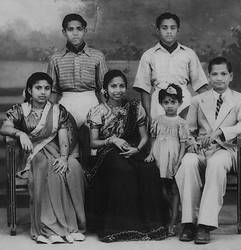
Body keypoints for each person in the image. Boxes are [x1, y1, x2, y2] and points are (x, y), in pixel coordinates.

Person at [0, 72, 86, 244]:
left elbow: (63, 136)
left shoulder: (57, 110)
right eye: (38, 88)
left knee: (72, 167)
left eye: (47, 88)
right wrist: (21, 134)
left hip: (55, 150)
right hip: (31, 153)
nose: (43, 92)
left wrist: (63, 157)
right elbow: (5, 127)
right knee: (46, 167)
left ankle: (72, 226)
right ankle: (49, 227)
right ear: (30, 90)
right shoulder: (20, 110)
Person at [86, 70, 168, 242]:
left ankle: (152, 226)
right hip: (107, 153)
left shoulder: (135, 106)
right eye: (113, 86)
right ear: (105, 90)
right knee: (124, 170)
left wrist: (137, 149)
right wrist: (112, 139)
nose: (118, 90)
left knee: (148, 169)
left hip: (132, 149)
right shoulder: (98, 110)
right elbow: (93, 142)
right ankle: (122, 228)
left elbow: (144, 136)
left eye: (122, 86)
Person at [176, 57, 241, 244]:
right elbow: (189, 128)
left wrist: (221, 132)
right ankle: (189, 222)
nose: (219, 78)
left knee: (216, 163)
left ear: (230, 76)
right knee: (188, 162)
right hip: (202, 148)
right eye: (215, 74)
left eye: (223, 74)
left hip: (227, 150)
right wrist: (191, 141)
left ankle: (205, 224)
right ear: (208, 77)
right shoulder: (198, 100)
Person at [133, 12, 208, 121]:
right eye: (164, 28)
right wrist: (149, 117)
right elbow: (144, 90)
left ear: (178, 30)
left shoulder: (189, 53)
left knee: (184, 134)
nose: (169, 31)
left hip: (184, 102)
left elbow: (201, 87)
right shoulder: (149, 55)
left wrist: (206, 114)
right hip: (158, 103)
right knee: (160, 135)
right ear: (158, 30)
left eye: (173, 28)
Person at [47, 13, 108, 127]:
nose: (75, 33)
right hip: (65, 104)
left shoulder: (97, 56)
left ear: (85, 31)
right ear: (64, 32)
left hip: (91, 104)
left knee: (90, 141)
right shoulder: (55, 58)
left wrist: (106, 110)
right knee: (67, 141)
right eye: (70, 29)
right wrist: (50, 113)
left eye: (79, 29)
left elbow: (103, 89)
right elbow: (53, 91)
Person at [145, 84, 188, 236]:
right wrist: (151, 153)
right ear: (161, 103)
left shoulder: (181, 122)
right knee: (162, 189)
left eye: (173, 102)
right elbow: (153, 138)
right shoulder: (157, 120)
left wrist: (179, 161)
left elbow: (183, 144)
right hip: (159, 155)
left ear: (180, 103)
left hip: (173, 156)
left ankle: (173, 220)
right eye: (166, 102)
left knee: (174, 189)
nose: (170, 106)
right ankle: (175, 213)